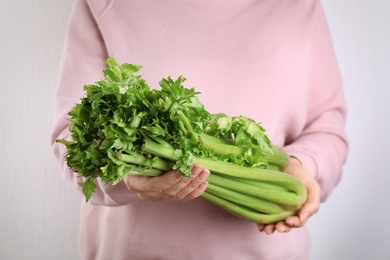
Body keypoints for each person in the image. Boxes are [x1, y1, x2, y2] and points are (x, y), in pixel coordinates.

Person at [51, 0, 348, 259]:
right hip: (135, 253)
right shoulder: (106, 3)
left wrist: (303, 164)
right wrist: (130, 180)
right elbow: (73, 136)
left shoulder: (297, 6)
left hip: (267, 250)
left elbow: (326, 126)